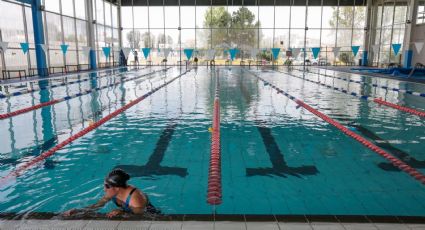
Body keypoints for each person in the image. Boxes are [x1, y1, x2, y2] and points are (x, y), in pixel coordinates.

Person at [63, 169, 159, 218]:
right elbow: (98, 205)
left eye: (107, 186)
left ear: (117, 188)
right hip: (129, 209)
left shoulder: (135, 199)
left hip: (150, 215)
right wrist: (78, 211)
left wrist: (122, 212)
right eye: (105, 185)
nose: (104, 189)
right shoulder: (112, 192)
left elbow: (141, 217)